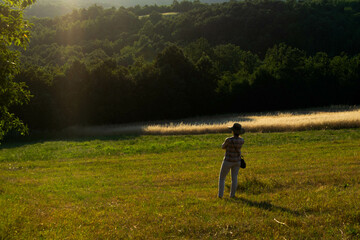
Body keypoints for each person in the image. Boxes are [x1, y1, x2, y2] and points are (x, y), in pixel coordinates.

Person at [218, 123, 245, 198]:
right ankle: (232, 195)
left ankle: (220, 195)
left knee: (222, 178)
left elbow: (223, 147)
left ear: (233, 131)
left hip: (228, 160)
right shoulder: (241, 140)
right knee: (234, 178)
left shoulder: (228, 140)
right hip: (237, 161)